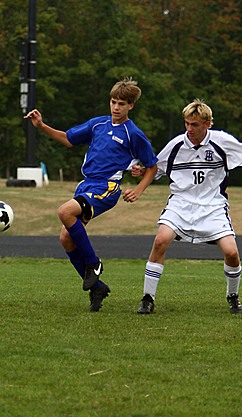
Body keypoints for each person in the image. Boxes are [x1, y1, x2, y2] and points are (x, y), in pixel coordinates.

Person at [136, 98, 242, 315]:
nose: (189, 129)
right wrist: (141, 173)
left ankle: (232, 296)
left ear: (207, 124)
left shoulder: (221, 141)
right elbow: (155, 168)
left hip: (213, 207)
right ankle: (147, 298)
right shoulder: (177, 145)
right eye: (186, 124)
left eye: (194, 125)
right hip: (180, 204)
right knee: (160, 241)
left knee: (231, 252)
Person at [25, 77, 158, 312]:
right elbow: (67, 139)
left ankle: (93, 265)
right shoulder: (98, 125)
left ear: (131, 106)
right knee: (66, 239)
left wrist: (138, 190)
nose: (116, 107)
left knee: (64, 211)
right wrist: (41, 126)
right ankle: (96, 287)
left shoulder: (133, 134)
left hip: (106, 188)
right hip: (86, 186)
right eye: (113, 102)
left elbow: (152, 166)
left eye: (122, 104)